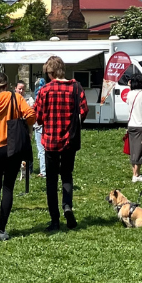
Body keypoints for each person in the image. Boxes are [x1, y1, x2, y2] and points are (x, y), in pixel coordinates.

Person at [0, 72, 37, 239]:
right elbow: (32, 115)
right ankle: (2, 230)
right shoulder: (16, 98)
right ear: (8, 84)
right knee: (8, 186)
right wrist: (25, 126)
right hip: (13, 147)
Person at [33, 56, 89, 231]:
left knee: (51, 180)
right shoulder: (76, 87)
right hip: (69, 141)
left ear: (50, 72)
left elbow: (38, 117)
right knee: (66, 175)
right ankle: (67, 206)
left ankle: (55, 220)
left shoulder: (44, 91)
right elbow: (84, 110)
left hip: (50, 141)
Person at [124, 70, 142, 183]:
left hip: (131, 124)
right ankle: (136, 175)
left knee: (133, 149)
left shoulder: (130, 94)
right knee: (141, 150)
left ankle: (135, 172)